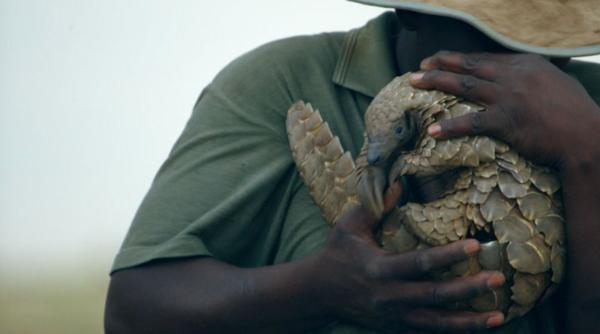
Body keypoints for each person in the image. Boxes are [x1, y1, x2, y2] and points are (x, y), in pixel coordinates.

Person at [104, 1, 600, 333]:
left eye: (552, 47)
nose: (530, 69)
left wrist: (587, 152)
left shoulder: (587, 105)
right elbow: (134, 308)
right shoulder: (282, 84)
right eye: (493, 34)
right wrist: (320, 289)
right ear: (411, 11)